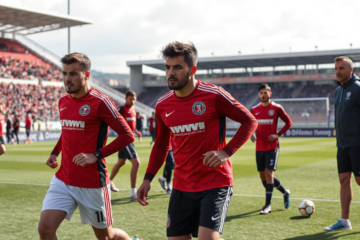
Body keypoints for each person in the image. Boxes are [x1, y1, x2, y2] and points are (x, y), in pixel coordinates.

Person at [137, 41, 258, 240]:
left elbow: (250, 121)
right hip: (181, 186)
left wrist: (226, 152)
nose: (170, 72)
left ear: (192, 69)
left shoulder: (214, 95)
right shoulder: (162, 105)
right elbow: (160, 144)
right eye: (167, 67)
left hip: (215, 183)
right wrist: (148, 179)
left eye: (177, 67)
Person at [37, 52, 142, 240]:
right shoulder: (63, 102)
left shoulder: (101, 102)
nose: (67, 79)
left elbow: (127, 135)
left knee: (106, 237)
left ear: (86, 75)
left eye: (73, 74)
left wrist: (97, 154)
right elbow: (68, 131)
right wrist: (55, 152)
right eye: (65, 74)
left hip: (92, 183)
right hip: (64, 179)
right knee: (45, 228)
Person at [324, 56, 360, 231]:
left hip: (358, 143)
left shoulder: (358, 88)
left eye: (341, 68)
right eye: (336, 68)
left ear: (351, 70)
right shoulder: (338, 91)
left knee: (359, 180)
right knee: (344, 179)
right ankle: (345, 221)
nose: (337, 71)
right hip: (342, 144)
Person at [250, 84, 292, 214]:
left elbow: (288, 122)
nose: (263, 95)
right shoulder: (254, 109)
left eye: (265, 92)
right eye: (261, 93)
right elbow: (249, 124)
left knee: (269, 173)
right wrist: (251, 133)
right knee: (263, 176)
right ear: (259, 94)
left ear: (270, 94)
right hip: (259, 147)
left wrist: (278, 135)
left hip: (272, 147)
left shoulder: (276, 108)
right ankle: (285, 192)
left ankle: (267, 205)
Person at [109, 90, 142, 200]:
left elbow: (131, 124)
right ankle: (133, 192)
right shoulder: (121, 109)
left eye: (134, 99)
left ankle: (109, 182)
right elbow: (114, 120)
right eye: (130, 99)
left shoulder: (133, 109)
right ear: (125, 99)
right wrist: (121, 133)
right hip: (125, 139)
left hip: (130, 138)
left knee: (121, 162)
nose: (132, 101)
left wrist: (136, 131)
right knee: (136, 163)